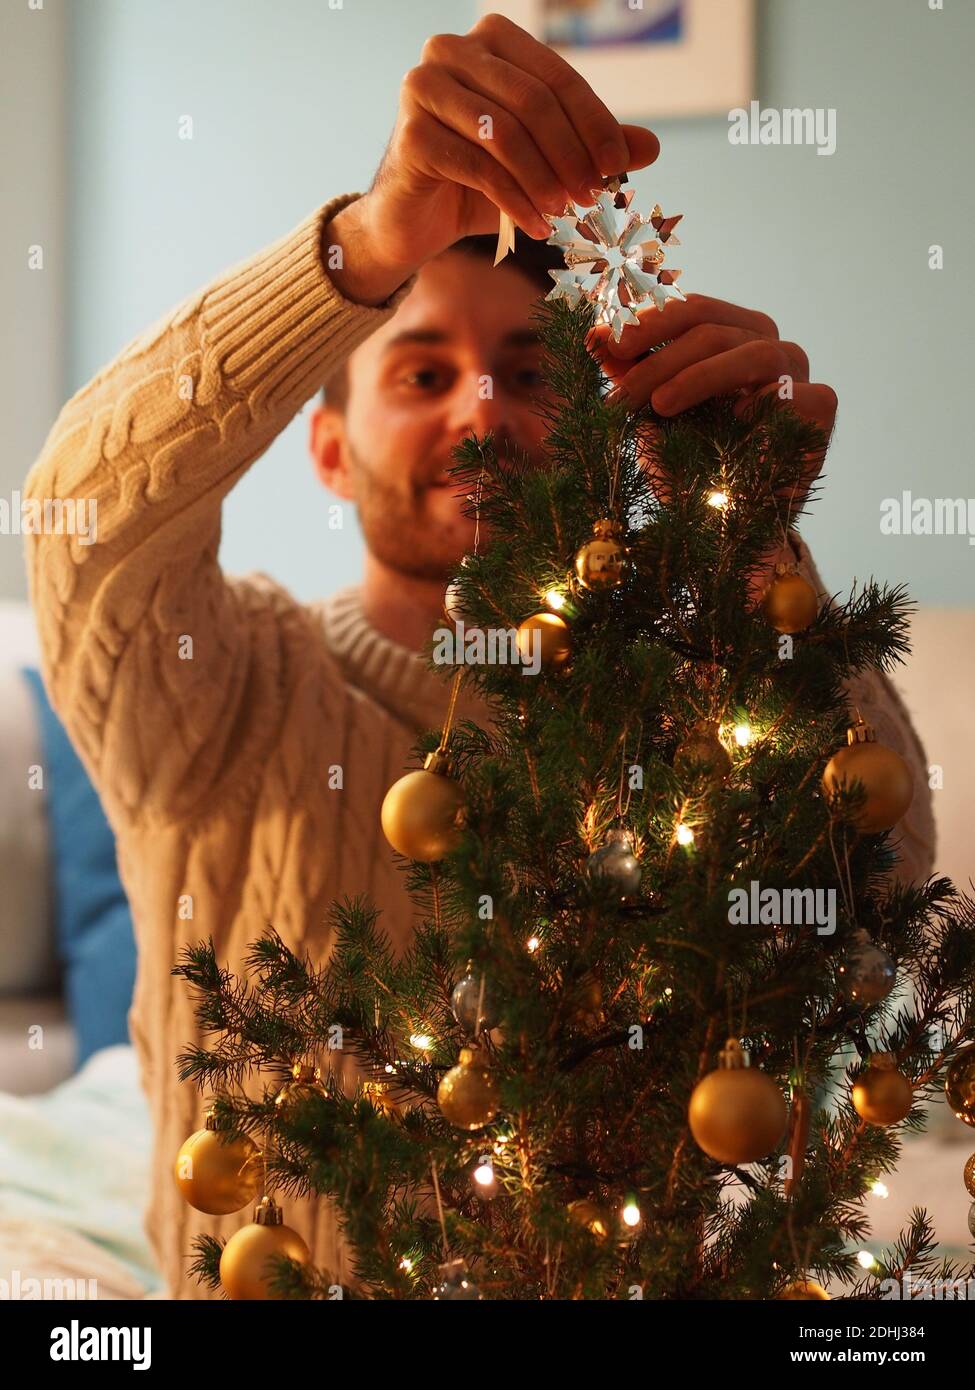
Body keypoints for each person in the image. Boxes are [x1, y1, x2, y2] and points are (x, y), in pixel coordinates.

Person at [23, 14, 934, 1299]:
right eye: (421, 370)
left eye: (527, 369)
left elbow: (874, 893)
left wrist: (760, 551)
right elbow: (83, 515)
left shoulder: (673, 710)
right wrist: (361, 249)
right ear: (329, 447)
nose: (484, 409)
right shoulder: (221, 686)